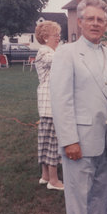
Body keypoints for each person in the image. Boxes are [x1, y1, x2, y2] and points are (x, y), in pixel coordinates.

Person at [50, 0, 107, 214]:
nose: (96, 24)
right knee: (79, 199)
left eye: (101, 20)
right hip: (80, 142)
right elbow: (61, 100)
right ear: (80, 22)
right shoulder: (66, 53)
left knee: (101, 196)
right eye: (91, 19)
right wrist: (69, 140)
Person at [34, 20, 63, 191]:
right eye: (56, 35)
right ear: (45, 38)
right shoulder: (45, 53)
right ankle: (54, 180)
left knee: (45, 141)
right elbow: (61, 60)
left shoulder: (52, 51)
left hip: (47, 106)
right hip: (51, 105)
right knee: (53, 142)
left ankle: (45, 175)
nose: (59, 38)